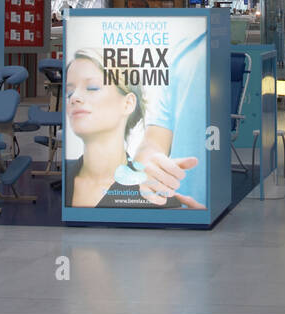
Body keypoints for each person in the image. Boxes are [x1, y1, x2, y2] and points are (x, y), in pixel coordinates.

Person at [62, 49, 197, 209]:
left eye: (92, 87)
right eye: (69, 92)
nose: (74, 97)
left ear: (128, 103)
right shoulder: (63, 180)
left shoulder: (154, 193)